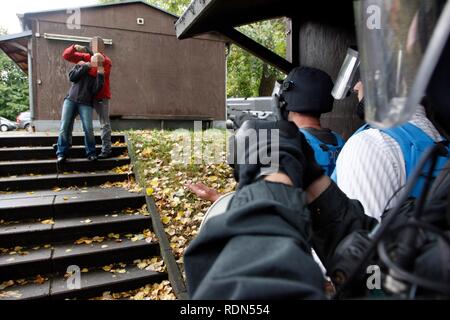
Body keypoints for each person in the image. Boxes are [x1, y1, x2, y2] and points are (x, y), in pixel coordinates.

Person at [183, 0, 450, 300]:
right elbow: (373, 258)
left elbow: (258, 291)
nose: (358, 85)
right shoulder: (422, 141)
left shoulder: (371, 145)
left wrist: (265, 195)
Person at [188, 67, 345, 202]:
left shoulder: (291, 147)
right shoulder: (340, 141)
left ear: (284, 102)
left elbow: (267, 206)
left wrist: (216, 198)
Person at [62, 37, 113, 159]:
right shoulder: (87, 57)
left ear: (102, 47)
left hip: (100, 95)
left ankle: (106, 149)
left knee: (103, 123)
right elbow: (67, 56)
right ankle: (65, 145)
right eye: (93, 45)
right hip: (84, 97)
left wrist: (85, 65)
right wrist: (74, 47)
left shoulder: (106, 60)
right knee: (68, 121)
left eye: (98, 46)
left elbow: (100, 75)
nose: (96, 48)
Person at [56, 54, 105, 163]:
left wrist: (100, 76)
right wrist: (85, 67)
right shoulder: (81, 65)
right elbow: (72, 77)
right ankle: (61, 153)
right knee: (64, 126)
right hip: (70, 100)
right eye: (95, 60)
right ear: (91, 59)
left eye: (99, 61)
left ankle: (91, 153)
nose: (96, 62)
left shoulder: (98, 73)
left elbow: (95, 90)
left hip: (86, 103)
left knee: (88, 129)